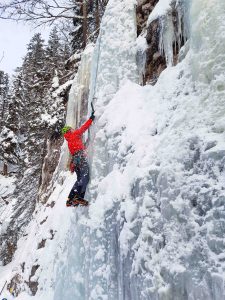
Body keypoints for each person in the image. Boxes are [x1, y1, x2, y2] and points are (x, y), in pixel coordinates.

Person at [61, 112, 95, 206]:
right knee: (85, 176)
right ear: (69, 131)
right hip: (80, 158)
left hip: (75, 161)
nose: (73, 129)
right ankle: (78, 197)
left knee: (80, 178)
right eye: (71, 129)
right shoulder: (74, 134)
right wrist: (91, 119)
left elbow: (77, 148)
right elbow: (83, 128)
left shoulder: (68, 141)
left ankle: (70, 199)